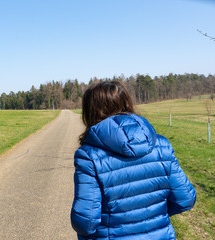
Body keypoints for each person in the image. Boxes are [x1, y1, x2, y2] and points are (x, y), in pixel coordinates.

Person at [70, 81, 196, 240]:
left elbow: (85, 222)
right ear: (127, 103)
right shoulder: (162, 145)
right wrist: (153, 215)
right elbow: (186, 199)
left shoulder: (89, 156)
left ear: (90, 112)